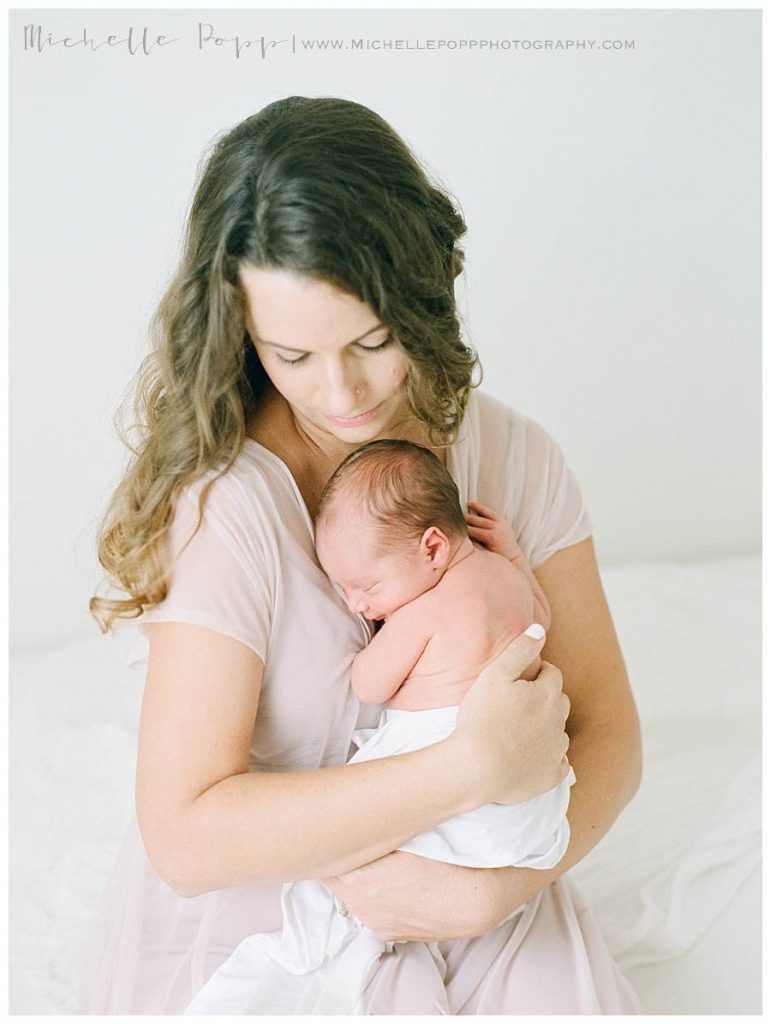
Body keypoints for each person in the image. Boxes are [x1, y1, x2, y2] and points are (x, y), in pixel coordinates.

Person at [81, 95, 643, 1014]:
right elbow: (185, 839)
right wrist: (467, 770)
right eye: (291, 355)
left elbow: (611, 738)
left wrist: (496, 890)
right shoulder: (227, 503)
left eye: (372, 341)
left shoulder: (514, 461)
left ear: (420, 299)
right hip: (269, 910)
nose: (340, 394)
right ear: (242, 338)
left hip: (489, 880)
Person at [185, 440, 573, 1014]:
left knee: (337, 847)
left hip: (449, 766)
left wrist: (379, 633)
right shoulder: (506, 579)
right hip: (534, 808)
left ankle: (320, 954)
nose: (358, 603)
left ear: (433, 548)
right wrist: (513, 555)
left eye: (367, 586)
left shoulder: (422, 611)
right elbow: (542, 616)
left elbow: (369, 684)